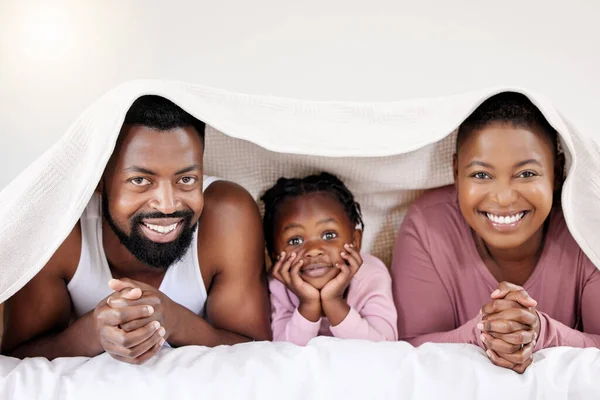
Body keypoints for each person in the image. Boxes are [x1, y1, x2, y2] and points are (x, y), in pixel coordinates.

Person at [0, 95, 271, 364]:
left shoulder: (228, 215)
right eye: (140, 179)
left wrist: (173, 321)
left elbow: (259, 351)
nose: (167, 205)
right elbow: (16, 357)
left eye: (186, 179)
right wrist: (92, 333)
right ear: (98, 180)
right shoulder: (60, 226)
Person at [391, 92, 600, 373]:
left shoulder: (587, 228)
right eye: (481, 175)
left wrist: (543, 332)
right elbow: (407, 349)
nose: (503, 198)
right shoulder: (428, 226)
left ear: (558, 172)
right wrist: (484, 333)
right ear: (456, 172)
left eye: (526, 174)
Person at [263, 172, 397, 345]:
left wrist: (333, 302)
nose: (313, 250)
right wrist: (308, 304)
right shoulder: (279, 286)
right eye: (295, 240)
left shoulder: (371, 275)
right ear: (274, 254)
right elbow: (283, 353)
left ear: (355, 241)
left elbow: (385, 349)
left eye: (329, 235)